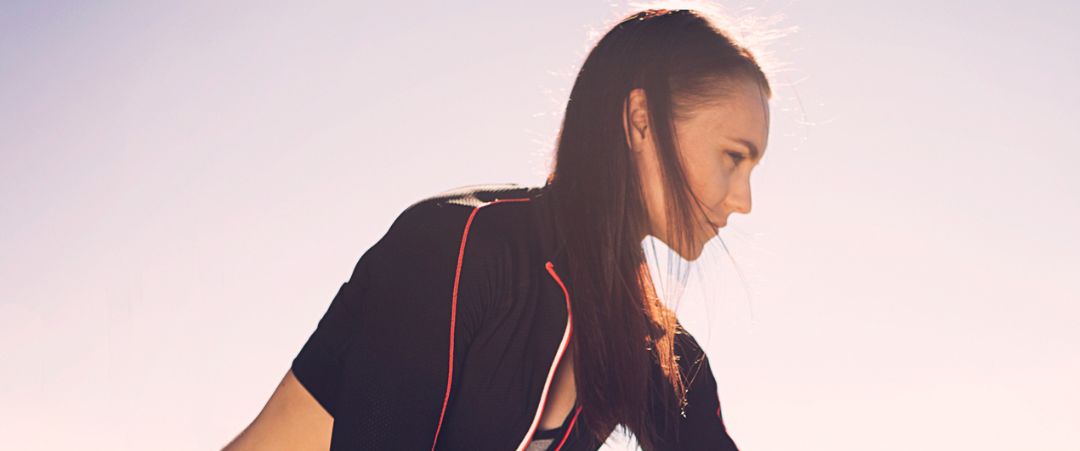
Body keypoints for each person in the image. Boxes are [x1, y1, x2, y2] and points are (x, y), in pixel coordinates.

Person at [224, 8, 770, 451]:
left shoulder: (663, 357)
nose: (743, 200)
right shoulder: (455, 247)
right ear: (640, 121)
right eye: (732, 157)